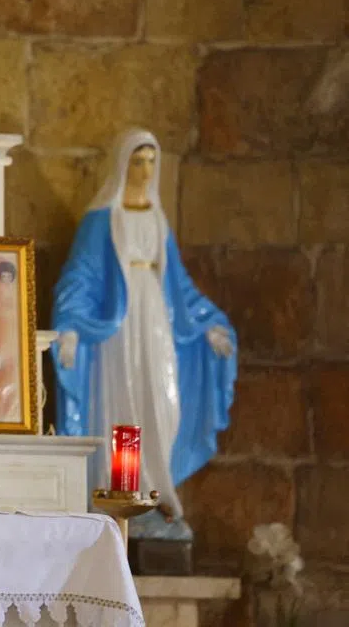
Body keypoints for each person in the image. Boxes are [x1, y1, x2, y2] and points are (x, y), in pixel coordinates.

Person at [50, 128, 236, 533]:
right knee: (122, 402)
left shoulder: (156, 217)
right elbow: (80, 276)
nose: (145, 169)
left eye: (152, 160)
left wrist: (209, 326)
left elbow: (179, 285)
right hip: (117, 329)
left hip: (155, 321)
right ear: (122, 165)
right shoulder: (101, 219)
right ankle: (120, 495)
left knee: (162, 402)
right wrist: (70, 328)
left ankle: (156, 491)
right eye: (138, 160)